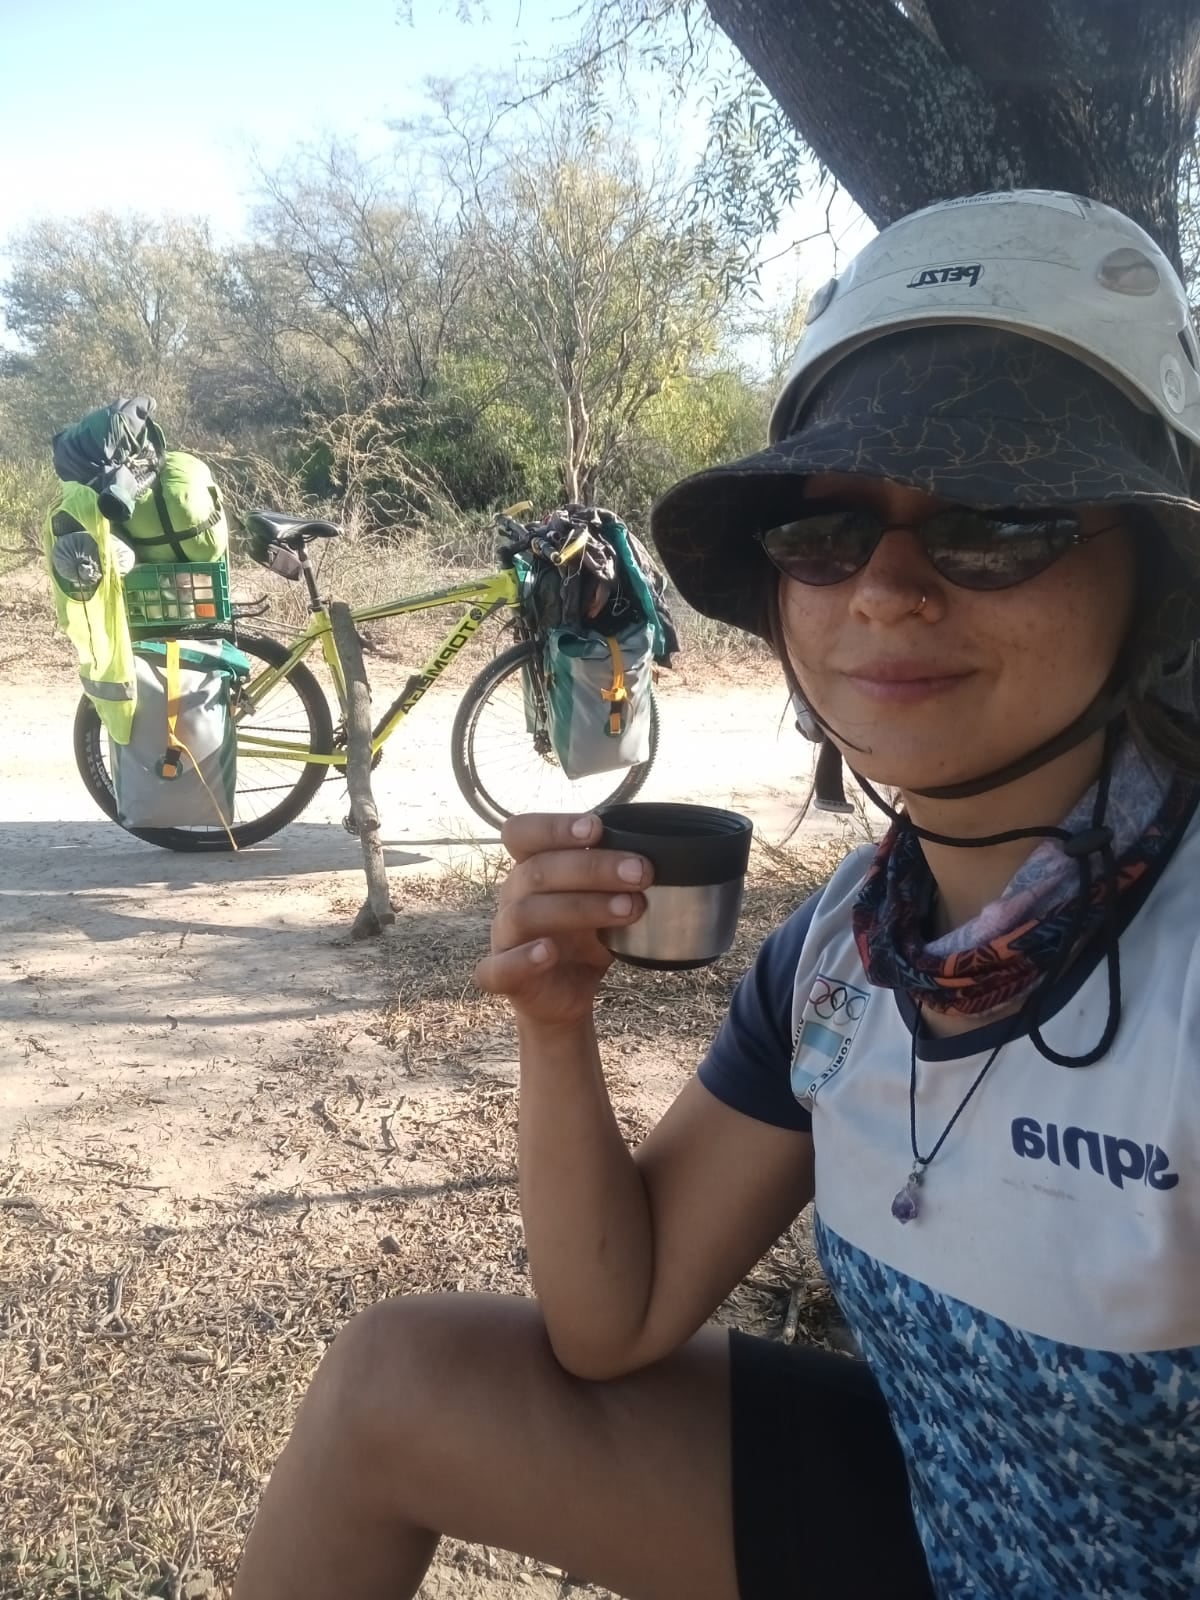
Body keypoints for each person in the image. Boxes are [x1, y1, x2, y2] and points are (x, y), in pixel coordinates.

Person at [231, 190, 1200, 1600]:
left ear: (1158, 582)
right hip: (949, 1515)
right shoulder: (853, 951)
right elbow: (610, 1322)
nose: (885, 592)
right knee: (401, 1379)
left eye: (997, 523)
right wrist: (555, 1029)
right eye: (824, 533)